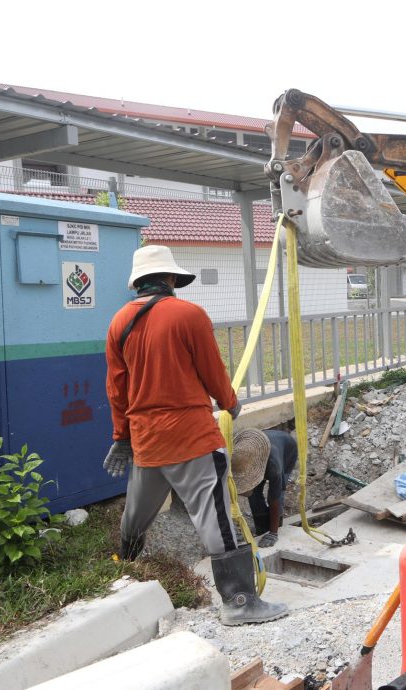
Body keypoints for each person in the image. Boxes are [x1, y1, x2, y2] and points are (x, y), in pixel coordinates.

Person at [102, 245, 287, 625]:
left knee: (135, 515)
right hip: (190, 437)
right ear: (170, 279)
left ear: (138, 282)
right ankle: (239, 602)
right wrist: (229, 402)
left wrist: (122, 436)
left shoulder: (118, 322)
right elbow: (211, 369)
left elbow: (116, 389)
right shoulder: (189, 315)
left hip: (147, 442)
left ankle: (121, 574)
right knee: (213, 516)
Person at [241, 429, 297, 548]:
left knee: (278, 493)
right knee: (253, 494)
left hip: (287, 451)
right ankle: (261, 527)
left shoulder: (273, 466)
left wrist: (273, 533)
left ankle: (276, 528)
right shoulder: (241, 456)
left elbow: (274, 498)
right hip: (264, 444)